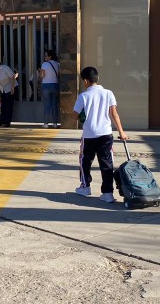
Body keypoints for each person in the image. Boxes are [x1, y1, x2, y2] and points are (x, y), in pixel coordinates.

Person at [72, 66, 128, 202]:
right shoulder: (108, 93)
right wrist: (122, 132)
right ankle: (108, 193)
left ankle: (85, 187)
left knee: (85, 161)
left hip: (89, 134)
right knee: (106, 162)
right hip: (105, 134)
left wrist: (82, 117)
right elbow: (114, 114)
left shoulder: (83, 96)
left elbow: (74, 115)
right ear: (98, 78)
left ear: (85, 81)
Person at [40, 49, 61, 128]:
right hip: (55, 85)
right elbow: (58, 74)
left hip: (46, 85)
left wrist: (40, 74)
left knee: (47, 105)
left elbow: (42, 75)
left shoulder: (45, 64)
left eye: (46, 55)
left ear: (50, 56)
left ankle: (46, 123)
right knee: (54, 104)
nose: (45, 57)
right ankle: (55, 123)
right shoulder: (57, 64)